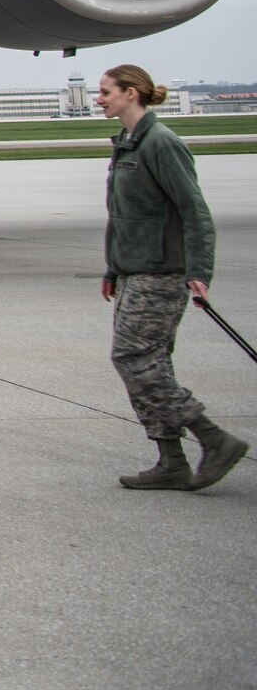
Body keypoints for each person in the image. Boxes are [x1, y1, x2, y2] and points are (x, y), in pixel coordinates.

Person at [97, 64, 247, 491]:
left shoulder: (161, 143)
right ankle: (171, 461)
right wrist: (113, 266)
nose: (99, 98)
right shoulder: (127, 143)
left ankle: (213, 439)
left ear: (131, 93)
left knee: (133, 359)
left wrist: (199, 271)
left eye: (106, 91)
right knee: (146, 364)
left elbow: (195, 211)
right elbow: (125, 215)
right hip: (132, 272)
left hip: (160, 273)